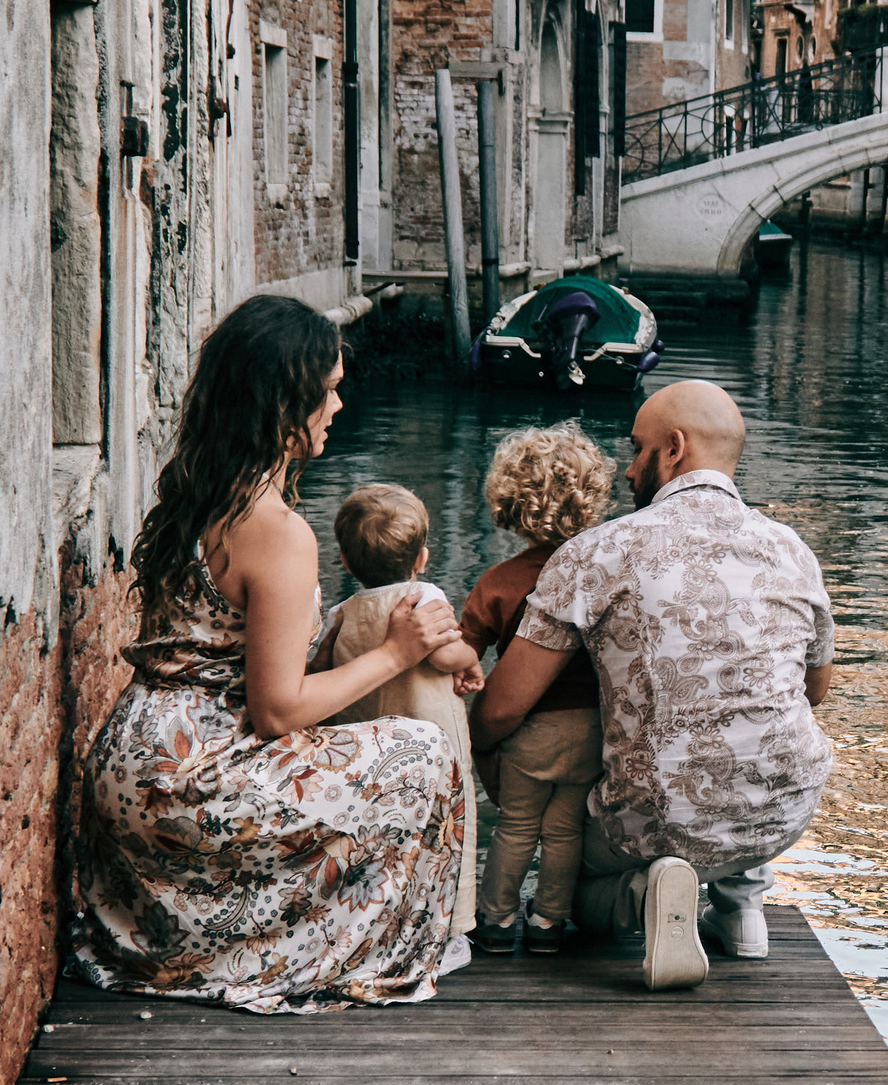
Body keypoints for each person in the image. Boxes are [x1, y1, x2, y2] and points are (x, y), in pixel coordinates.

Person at [71, 296, 473, 1013]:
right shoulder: (278, 529)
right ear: (287, 406)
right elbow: (277, 708)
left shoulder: (197, 490)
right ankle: (363, 946)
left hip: (127, 766)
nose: (339, 405)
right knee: (423, 754)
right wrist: (397, 648)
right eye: (328, 390)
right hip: (188, 778)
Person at [469, 381, 835, 991]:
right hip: (782, 812)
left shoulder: (597, 552)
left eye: (638, 450)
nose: (630, 468)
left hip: (657, 820)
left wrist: (473, 738)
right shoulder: (792, 549)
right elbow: (813, 691)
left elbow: (503, 709)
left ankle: (650, 891)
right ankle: (743, 908)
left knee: (570, 892)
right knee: (747, 743)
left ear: (673, 449)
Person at [456, 422, 616, 956]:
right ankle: (549, 923)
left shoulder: (498, 583)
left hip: (529, 730)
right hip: (592, 729)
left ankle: (496, 921)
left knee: (517, 825)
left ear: (509, 502)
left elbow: (462, 651)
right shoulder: (607, 578)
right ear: (592, 497)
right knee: (566, 829)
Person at [322, 482, 487, 882]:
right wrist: (471, 658)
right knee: (445, 835)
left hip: (365, 754)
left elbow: (321, 667)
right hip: (429, 751)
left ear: (345, 560)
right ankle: (454, 930)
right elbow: (446, 654)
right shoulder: (422, 597)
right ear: (423, 558)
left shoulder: (339, 614)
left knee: (377, 839)